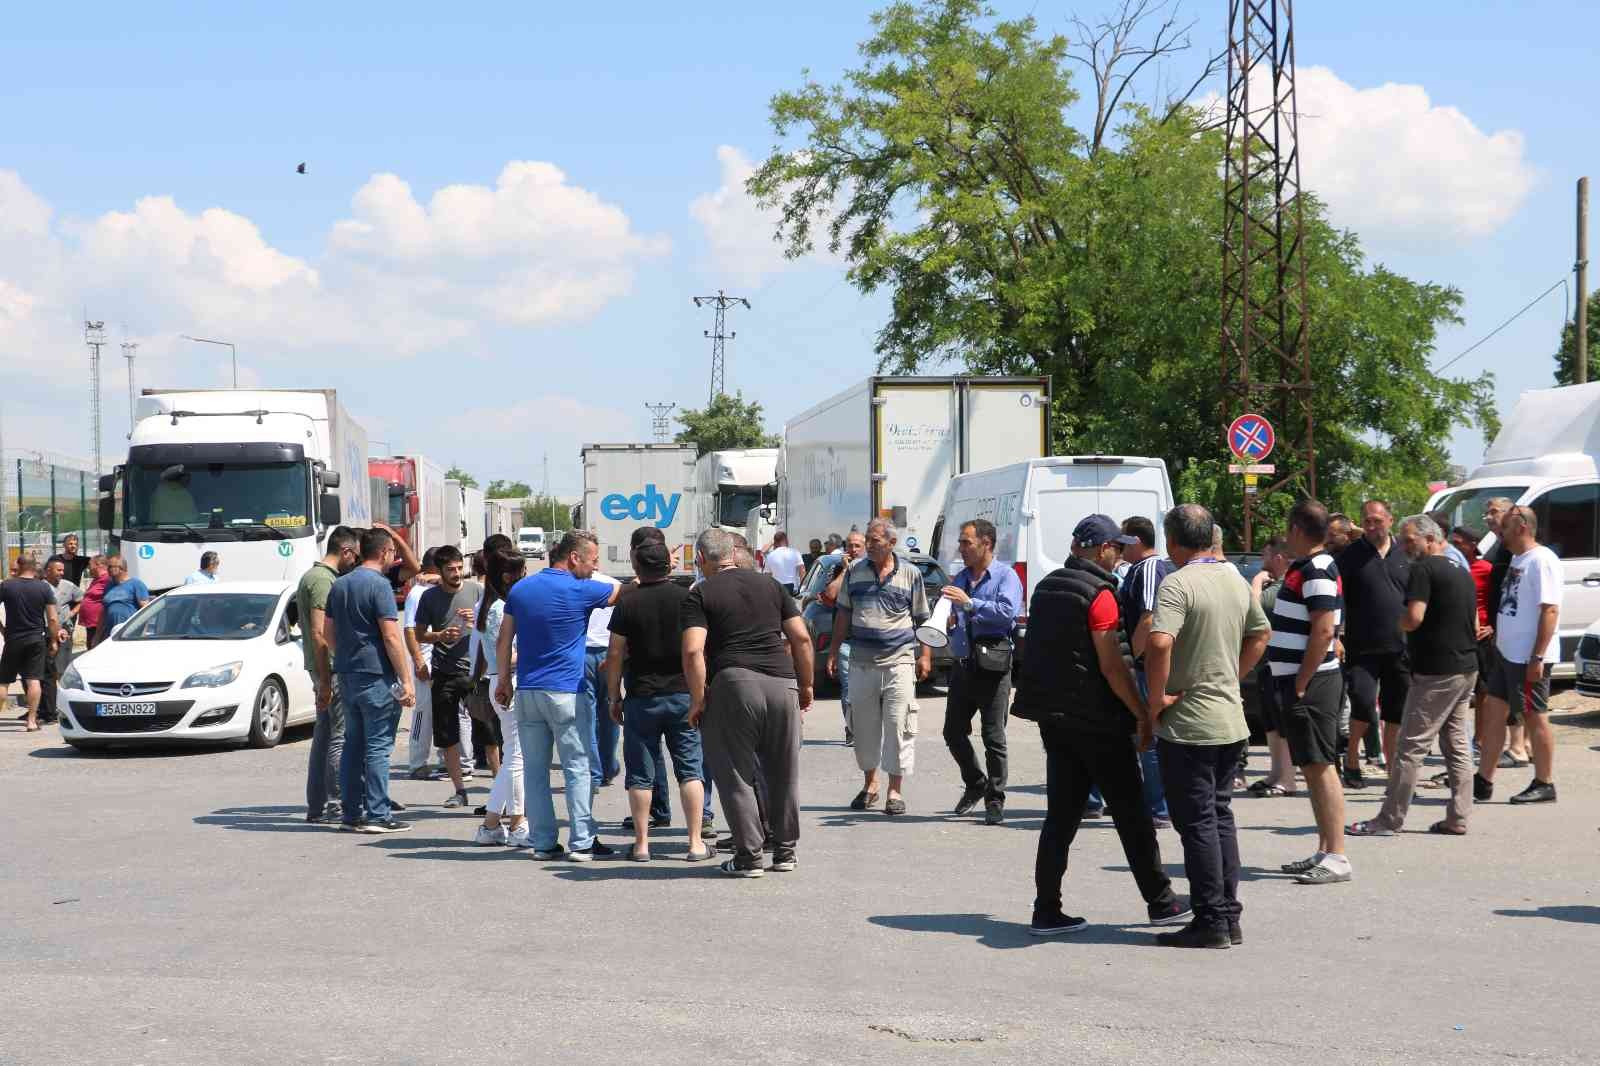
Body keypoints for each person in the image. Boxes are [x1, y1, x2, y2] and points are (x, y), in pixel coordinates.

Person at [1013, 514, 1190, 935]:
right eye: (1117, 546)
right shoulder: (1100, 593)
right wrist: (1141, 711)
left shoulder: (1046, 587)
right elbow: (1112, 665)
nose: (1122, 553)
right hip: (1098, 723)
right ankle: (1161, 902)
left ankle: (1046, 908)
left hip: (1056, 720)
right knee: (1132, 815)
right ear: (1101, 549)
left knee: (1061, 817)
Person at [1144, 505, 1270, 948]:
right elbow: (1261, 633)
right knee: (1219, 818)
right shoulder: (1234, 578)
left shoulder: (1177, 583)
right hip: (1230, 720)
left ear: (1174, 541)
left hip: (1189, 725)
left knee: (1197, 823)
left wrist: (1156, 698)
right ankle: (1228, 916)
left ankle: (1211, 920)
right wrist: (1231, 675)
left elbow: (1159, 642)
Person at [682, 527, 814, 877]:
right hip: (783, 682)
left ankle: (748, 857)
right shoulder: (771, 585)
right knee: (784, 772)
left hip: (734, 684)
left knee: (736, 774)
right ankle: (785, 852)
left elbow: (694, 649)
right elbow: (801, 638)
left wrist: (697, 699)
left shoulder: (701, 592)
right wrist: (807, 686)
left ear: (701, 560)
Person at [1348, 515, 1479, 837]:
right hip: (1466, 668)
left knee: (1410, 748)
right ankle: (1458, 817)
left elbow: (1414, 618)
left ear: (1430, 539)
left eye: (1410, 540)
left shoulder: (1424, 569)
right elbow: (1474, 624)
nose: (1406, 547)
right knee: (1457, 745)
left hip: (1436, 672)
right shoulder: (1461, 570)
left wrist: (1401, 623)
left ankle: (1388, 819)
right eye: (1404, 540)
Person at [495, 530, 621, 862]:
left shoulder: (521, 589)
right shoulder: (581, 589)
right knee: (577, 767)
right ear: (574, 557)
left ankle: (543, 842)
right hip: (566, 691)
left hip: (528, 692)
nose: (595, 567)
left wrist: (504, 681)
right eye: (592, 560)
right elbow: (622, 592)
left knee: (536, 770)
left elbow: (504, 640)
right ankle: (582, 841)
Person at [607, 539, 713, 862]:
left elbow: (615, 652)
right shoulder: (688, 598)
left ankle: (641, 845)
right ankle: (695, 842)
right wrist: (700, 695)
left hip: (642, 696)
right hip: (682, 695)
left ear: (637, 568)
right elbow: (699, 650)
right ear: (669, 564)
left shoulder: (628, 603)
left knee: (640, 774)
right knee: (690, 770)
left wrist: (614, 696)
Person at [1270, 500, 1351, 885]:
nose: (1286, 537)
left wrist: (1301, 680)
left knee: (1321, 768)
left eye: (1289, 529)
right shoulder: (1307, 567)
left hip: (1312, 683)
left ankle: (1337, 855)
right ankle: (1324, 849)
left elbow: (1323, 631)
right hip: (1303, 681)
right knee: (1312, 768)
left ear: (1299, 530)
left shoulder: (1317, 567)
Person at [828, 518, 931, 816]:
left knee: (898, 726)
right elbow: (843, 614)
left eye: (875, 541)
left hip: (899, 661)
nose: (870, 546)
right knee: (863, 728)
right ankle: (870, 785)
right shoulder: (855, 573)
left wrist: (925, 656)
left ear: (891, 543)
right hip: (861, 661)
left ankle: (894, 791)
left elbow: (923, 618)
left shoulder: (910, 574)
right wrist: (834, 651)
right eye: (868, 541)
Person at [324, 527, 416, 834]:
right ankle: (378, 814)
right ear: (385, 552)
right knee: (377, 746)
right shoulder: (380, 587)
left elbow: (328, 634)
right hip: (376, 675)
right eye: (393, 553)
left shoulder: (340, 585)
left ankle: (352, 813)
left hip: (347, 673)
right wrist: (406, 680)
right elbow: (391, 636)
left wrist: (348, 657)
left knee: (353, 743)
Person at [1474, 505, 1562, 805]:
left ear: (1522, 527)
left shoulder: (1542, 560)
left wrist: (1537, 657)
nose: (1500, 531)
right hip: (1505, 652)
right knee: (1495, 714)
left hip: (1527, 657)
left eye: (1506, 526)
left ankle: (1544, 782)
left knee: (1535, 717)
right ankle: (1483, 780)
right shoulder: (1517, 558)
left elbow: (1549, 610)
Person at [942, 519, 1023, 825]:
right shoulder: (961, 577)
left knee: (993, 736)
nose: (961, 549)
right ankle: (976, 782)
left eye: (966, 543)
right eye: (961, 543)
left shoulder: (1006, 576)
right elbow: (953, 614)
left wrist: (970, 604)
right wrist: (950, 621)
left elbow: (1006, 614)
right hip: (963, 665)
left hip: (993, 667)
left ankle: (995, 798)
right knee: (952, 731)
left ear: (986, 544)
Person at [1337, 500, 1411, 786]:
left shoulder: (1406, 553)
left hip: (1400, 648)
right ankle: (1352, 757)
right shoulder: (1350, 556)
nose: (1371, 526)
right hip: (1362, 648)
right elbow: (1336, 598)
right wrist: (1336, 635)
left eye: (1377, 521)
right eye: (1366, 521)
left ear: (1390, 520)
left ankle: (1393, 771)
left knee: (1395, 711)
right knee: (1364, 703)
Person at [413, 545, 482, 808]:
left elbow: (492, 628)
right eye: (450, 569)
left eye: (458, 568)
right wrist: (440, 636)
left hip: (475, 672)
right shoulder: (429, 598)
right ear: (439, 571)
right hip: (443, 673)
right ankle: (459, 790)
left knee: (487, 733)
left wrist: (475, 622)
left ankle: (502, 791)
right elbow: (419, 634)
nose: (456, 573)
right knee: (447, 735)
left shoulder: (477, 591)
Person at [1117, 515, 1175, 827]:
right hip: (1143, 665)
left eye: (1124, 541)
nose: (1119, 547)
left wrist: (1130, 659)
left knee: (1147, 735)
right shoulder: (1138, 569)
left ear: (1138, 541)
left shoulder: (1151, 567)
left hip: (1145, 666)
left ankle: (1159, 808)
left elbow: (1150, 617)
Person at [300, 527, 360, 825]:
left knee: (323, 737)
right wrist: (325, 681)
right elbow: (319, 633)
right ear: (346, 551)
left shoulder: (313, 576)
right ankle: (336, 803)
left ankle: (316, 806)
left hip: (323, 668)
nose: (355, 562)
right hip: (330, 669)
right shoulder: (324, 580)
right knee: (338, 737)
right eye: (355, 555)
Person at [474, 546, 529, 847]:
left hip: (501, 682)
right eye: (522, 572)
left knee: (514, 757)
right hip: (507, 682)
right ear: (508, 576)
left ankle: (492, 824)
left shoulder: (492, 603)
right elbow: (504, 655)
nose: (525, 577)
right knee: (517, 758)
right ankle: (517, 823)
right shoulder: (499, 609)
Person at [1477, 498, 1530, 767]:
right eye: (1487, 512)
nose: (1488, 516)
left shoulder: (1516, 550)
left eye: (1494, 511)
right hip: (1501, 626)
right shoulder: (1497, 546)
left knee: (1514, 688)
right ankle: (1523, 744)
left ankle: (1518, 746)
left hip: (1513, 629)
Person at [1244, 538, 1297, 796]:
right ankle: (1277, 773)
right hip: (1268, 663)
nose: (1262, 561)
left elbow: (1250, 610)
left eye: (1265, 555)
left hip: (1281, 663)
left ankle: (1287, 778)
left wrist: (1255, 583)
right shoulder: (1276, 585)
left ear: (1278, 558)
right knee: (1271, 723)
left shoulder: (1281, 587)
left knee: (1281, 722)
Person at [1, 555, 60, 732]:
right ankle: (32, 721)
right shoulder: (43, 588)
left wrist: (3, 630)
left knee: (3, 681)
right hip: (36, 639)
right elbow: (52, 618)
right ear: (34, 567)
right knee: (34, 680)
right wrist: (54, 640)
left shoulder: (7, 586)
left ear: (19, 565)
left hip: (13, 639)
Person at [821, 529, 867, 744]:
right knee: (849, 688)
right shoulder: (838, 568)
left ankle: (868, 728)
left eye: (858, 545)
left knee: (869, 690)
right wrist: (845, 572)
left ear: (865, 547)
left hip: (868, 640)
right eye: (850, 545)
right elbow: (830, 594)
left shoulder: (871, 569)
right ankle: (852, 729)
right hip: (846, 640)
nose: (853, 549)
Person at [402, 550, 444, 779]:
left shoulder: (440, 588)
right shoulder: (417, 593)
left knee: (444, 711)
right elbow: (409, 630)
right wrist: (418, 661)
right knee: (423, 712)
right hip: (425, 659)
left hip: (443, 660)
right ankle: (417, 762)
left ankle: (445, 759)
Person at [581, 565, 623, 791]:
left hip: (582, 653)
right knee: (610, 711)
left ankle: (593, 773)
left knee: (586, 717)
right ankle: (607, 767)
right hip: (609, 653)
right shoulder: (613, 584)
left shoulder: (577, 586)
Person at [38, 559, 84, 725]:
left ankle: (63, 705)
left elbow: (81, 600)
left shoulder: (68, 585)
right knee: (47, 671)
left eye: (62, 570)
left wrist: (71, 613)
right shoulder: (41, 586)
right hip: (45, 631)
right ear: (48, 570)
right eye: (58, 570)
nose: (61, 573)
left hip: (64, 630)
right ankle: (46, 708)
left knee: (60, 668)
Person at [99, 555, 151, 631]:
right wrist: (97, 636)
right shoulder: (108, 586)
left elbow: (146, 610)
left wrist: (144, 632)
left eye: (111, 566)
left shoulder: (136, 584)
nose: (108, 569)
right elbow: (103, 613)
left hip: (129, 632)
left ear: (121, 568)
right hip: (110, 632)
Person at [79, 555, 110, 648]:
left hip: (98, 624)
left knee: (94, 648)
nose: (88, 568)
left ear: (98, 565)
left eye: (90, 565)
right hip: (91, 624)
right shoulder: (96, 579)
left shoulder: (107, 579)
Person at [762, 531, 805, 596]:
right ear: (786, 540)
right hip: (793, 591)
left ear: (775, 542)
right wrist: (803, 588)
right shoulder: (795, 552)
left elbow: (768, 576)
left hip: (777, 591)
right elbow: (802, 571)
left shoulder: (770, 556)